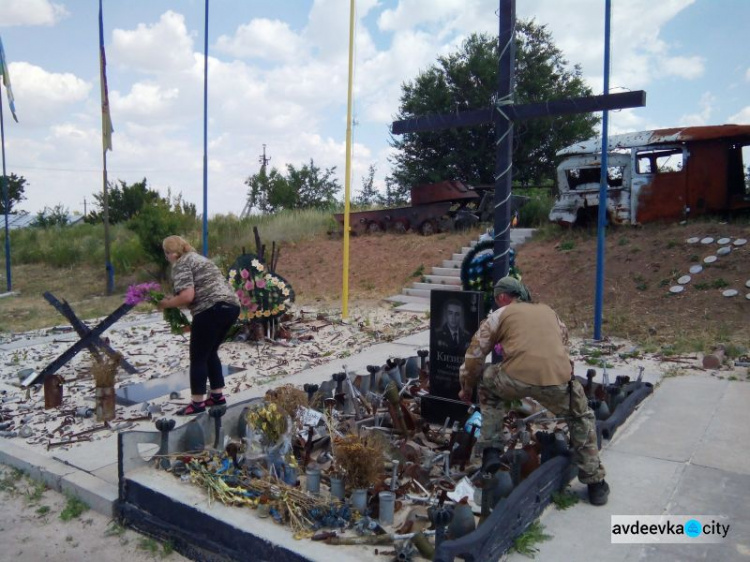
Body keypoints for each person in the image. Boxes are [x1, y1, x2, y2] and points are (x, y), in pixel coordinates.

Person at [457, 276, 610, 506]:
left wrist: (466, 386)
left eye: (497, 299)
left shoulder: (499, 315)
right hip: (556, 379)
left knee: (487, 381)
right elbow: (563, 346)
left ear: (502, 297)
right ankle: (595, 484)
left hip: (513, 379)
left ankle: (491, 450)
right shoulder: (550, 313)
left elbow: (475, 355)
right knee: (581, 416)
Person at [159, 235, 241, 416]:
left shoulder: (181, 264)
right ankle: (217, 396)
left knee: (198, 357)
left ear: (172, 253)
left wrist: (167, 303)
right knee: (210, 351)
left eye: (167, 253)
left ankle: (197, 403)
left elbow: (187, 296)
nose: (167, 257)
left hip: (210, 308)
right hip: (231, 307)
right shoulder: (199, 259)